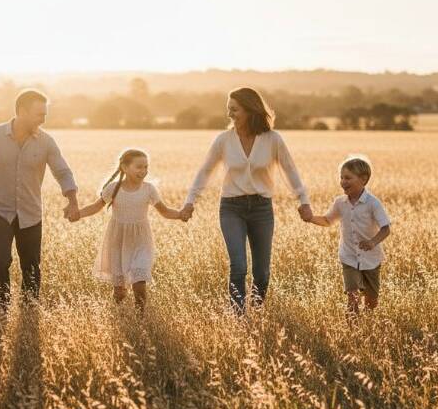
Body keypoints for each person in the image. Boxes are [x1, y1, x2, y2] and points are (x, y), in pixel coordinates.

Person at [180, 87, 312, 313]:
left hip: (262, 209)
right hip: (231, 208)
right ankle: (238, 318)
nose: (230, 114)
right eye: (228, 109)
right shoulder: (223, 140)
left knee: (262, 272)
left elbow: (290, 170)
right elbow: (205, 171)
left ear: (251, 110)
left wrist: (303, 200)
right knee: (239, 266)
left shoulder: (272, 139)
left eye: (235, 109)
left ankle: (258, 311)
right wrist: (190, 201)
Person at [0, 89, 81, 309]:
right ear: (22, 111)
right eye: (39, 114)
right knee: (1, 261)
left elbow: (63, 172)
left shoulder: (47, 142)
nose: (43, 119)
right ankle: (0, 310)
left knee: (31, 265)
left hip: (31, 212)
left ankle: (30, 311)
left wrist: (72, 200)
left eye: (45, 115)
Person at [78, 148, 185, 311]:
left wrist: (180, 214)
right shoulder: (114, 188)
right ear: (124, 167)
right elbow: (95, 207)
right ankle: (121, 316)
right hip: (118, 240)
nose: (143, 171)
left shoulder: (149, 189)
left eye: (146, 167)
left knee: (139, 279)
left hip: (141, 241)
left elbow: (165, 211)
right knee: (119, 290)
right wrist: (77, 214)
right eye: (139, 167)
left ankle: (140, 317)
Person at [304, 155, 391, 317]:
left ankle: (368, 326)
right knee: (352, 297)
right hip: (349, 257)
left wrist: (373, 242)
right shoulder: (340, 203)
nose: (343, 181)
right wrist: (310, 218)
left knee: (372, 302)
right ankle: (351, 329)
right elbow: (327, 220)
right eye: (341, 177)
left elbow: (386, 228)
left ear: (363, 180)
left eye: (348, 178)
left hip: (371, 259)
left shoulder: (373, 203)